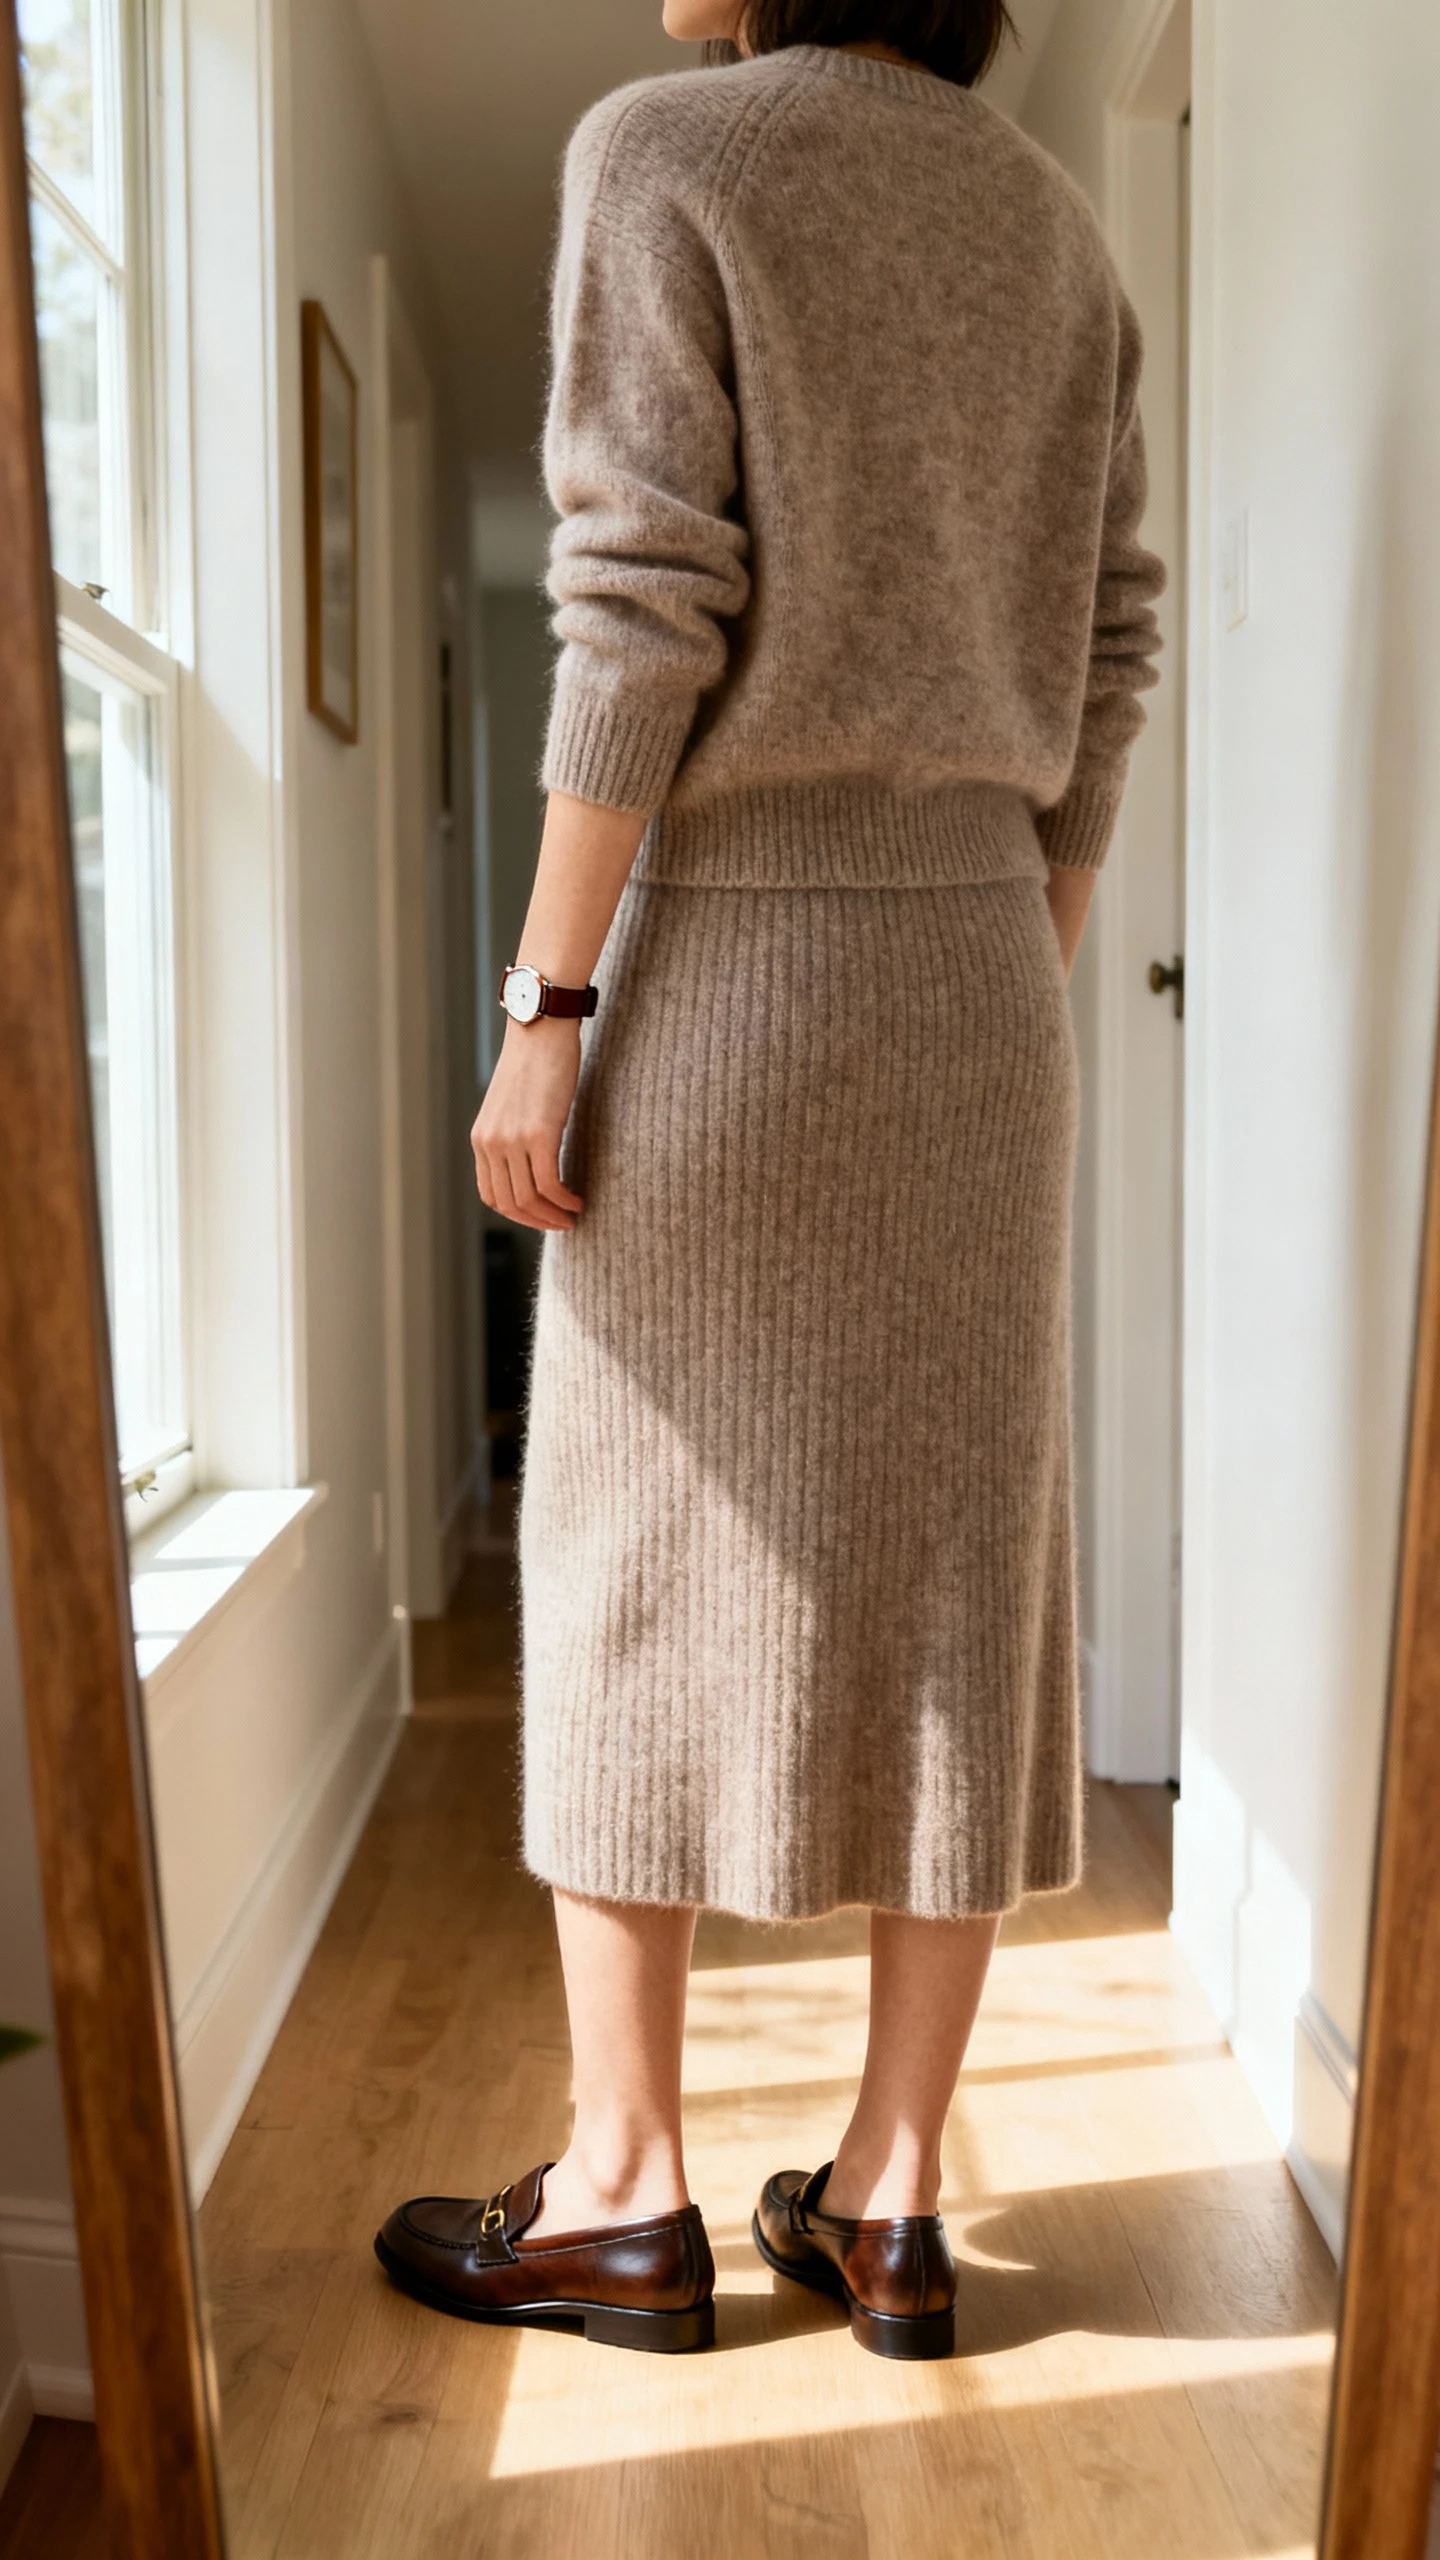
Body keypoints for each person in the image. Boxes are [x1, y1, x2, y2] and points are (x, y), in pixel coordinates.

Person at [377, 0, 1164, 2361]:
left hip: (726, 965)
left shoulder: (668, 151)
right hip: (978, 988)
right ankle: (893, 2204)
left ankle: (626, 2196)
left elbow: (638, 601)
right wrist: (994, 972)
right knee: (955, 1562)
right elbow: (1111, 655)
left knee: (625, 1551)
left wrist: (549, 999)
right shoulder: (1058, 227)